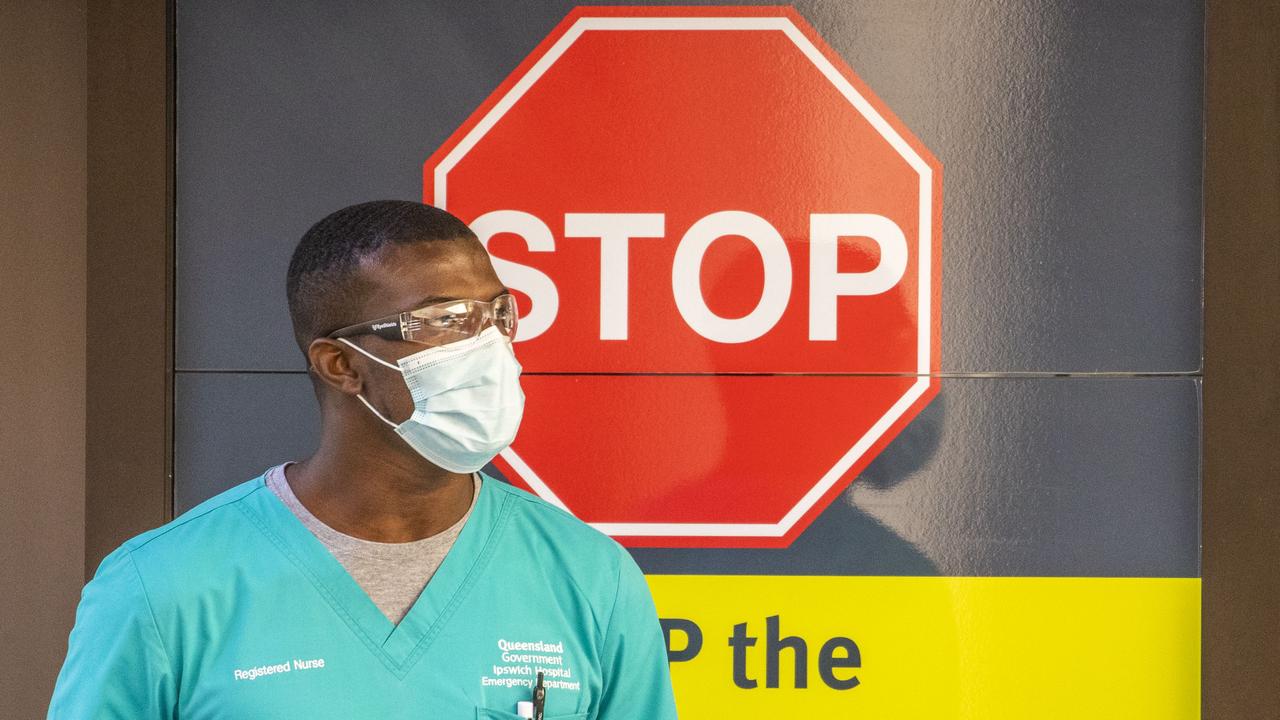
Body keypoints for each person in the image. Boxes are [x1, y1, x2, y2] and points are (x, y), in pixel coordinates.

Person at [48, 200, 678, 719]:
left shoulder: (589, 578)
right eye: (443, 320)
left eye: (496, 313)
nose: (487, 345)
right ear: (341, 364)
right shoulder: (162, 588)